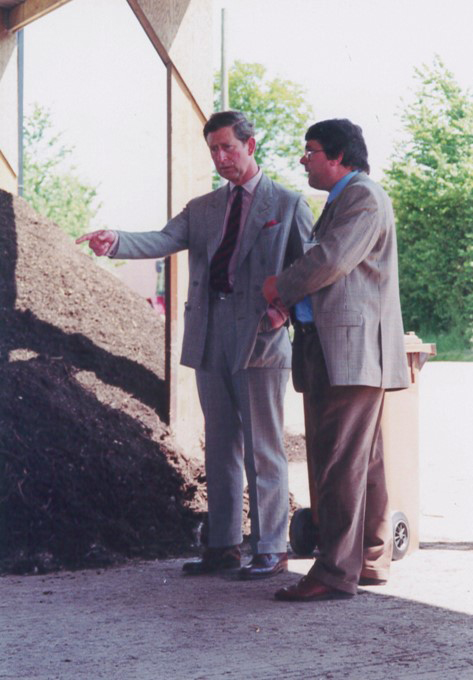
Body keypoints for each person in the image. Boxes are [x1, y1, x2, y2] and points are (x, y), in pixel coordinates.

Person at [77, 110, 313, 580]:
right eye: (213, 150)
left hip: (262, 337)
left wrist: (283, 312)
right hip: (209, 334)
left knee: (262, 446)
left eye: (228, 147)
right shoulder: (202, 208)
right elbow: (163, 239)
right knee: (219, 445)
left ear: (251, 145)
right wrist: (115, 240)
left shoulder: (287, 204)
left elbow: (310, 269)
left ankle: (271, 546)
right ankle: (223, 546)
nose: (221, 158)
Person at [263, 118, 409, 601]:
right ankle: (368, 561)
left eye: (310, 151)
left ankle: (332, 572)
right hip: (339, 351)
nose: (303, 159)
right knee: (362, 462)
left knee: (338, 462)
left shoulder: (362, 196)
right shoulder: (345, 199)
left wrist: (279, 286)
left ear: (339, 157)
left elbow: (330, 260)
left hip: (349, 353)